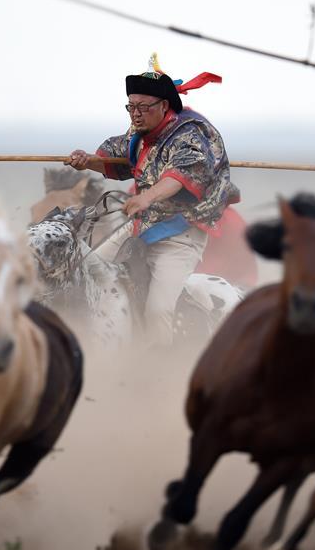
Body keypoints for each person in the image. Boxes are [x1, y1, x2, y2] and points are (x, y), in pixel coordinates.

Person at [66, 54, 238, 348]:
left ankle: (158, 369)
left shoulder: (193, 134)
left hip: (182, 232)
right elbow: (115, 158)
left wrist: (146, 196)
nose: (135, 113)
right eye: (131, 107)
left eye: (143, 107)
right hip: (141, 225)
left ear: (164, 106)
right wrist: (87, 162)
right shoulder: (140, 133)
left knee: (158, 310)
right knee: (87, 271)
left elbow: (177, 177)